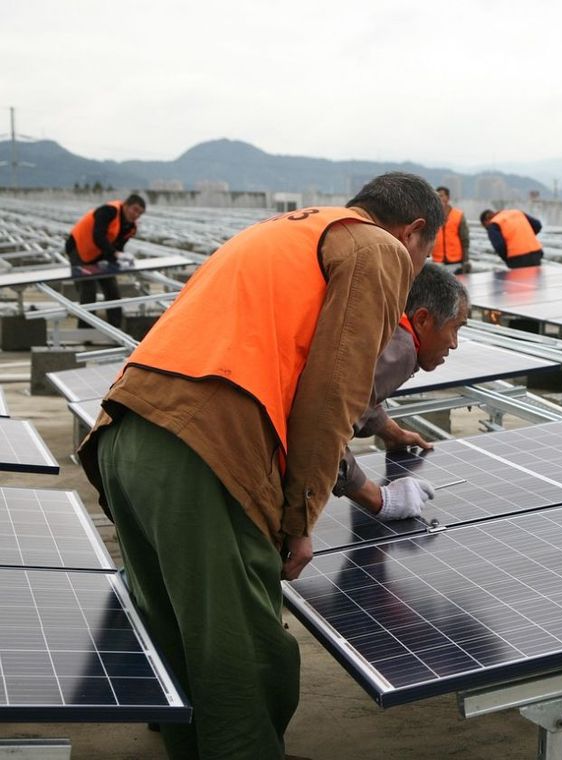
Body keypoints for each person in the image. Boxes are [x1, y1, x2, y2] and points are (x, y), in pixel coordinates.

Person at [77, 172, 444, 760]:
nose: (417, 269)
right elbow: (332, 394)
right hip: (202, 448)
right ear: (415, 230)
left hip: (126, 432)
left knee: (177, 639)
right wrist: (299, 520)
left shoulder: (289, 229)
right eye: (425, 254)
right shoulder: (379, 248)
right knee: (240, 656)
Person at [335, 263, 469, 517]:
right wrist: (379, 499)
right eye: (455, 327)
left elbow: (353, 395)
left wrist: (390, 431)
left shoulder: (385, 326)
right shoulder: (401, 351)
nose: (454, 343)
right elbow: (321, 432)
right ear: (422, 319)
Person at [65, 193, 147, 328]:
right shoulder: (108, 211)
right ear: (126, 205)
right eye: (135, 209)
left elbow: (118, 245)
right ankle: (86, 329)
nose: (136, 215)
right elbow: (98, 236)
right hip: (79, 247)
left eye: (140, 213)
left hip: (99, 254)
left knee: (111, 287)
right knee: (88, 288)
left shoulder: (130, 227)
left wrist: (119, 258)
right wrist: (116, 254)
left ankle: (116, 326)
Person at [431, 186, 471, 274]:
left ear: (448, 198)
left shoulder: (458, 215)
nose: (439, 198)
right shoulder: (432, 216)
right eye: (437, 196)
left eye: (441, 196)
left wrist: (466, 260)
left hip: (456, 261)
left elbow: (465, 239)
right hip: (437, 261)